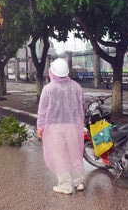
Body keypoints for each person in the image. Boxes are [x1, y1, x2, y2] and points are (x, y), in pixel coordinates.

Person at [36, 58, 86, 194]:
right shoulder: (76, 86)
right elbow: (82, 106)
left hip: (54, 128)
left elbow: (42, 111)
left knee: (60, 155)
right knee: (74, 152)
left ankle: (65, 185)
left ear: (52, 72)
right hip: (73, 126)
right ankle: (79, 181)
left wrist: (40, 127)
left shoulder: (48, 89)